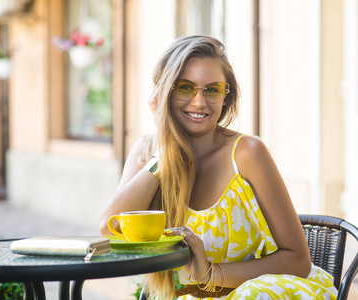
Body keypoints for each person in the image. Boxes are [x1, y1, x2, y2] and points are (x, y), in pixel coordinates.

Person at [100, 35, 337, 300]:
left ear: (226, 97)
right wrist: (165, 155)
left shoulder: (246, 153)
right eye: (185, 87)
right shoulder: (148, 152)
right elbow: (110, 229)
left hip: (264, 292)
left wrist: (210, 274)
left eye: (212, 90)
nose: (200, 102)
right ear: (164, 93)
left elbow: (298, 261)